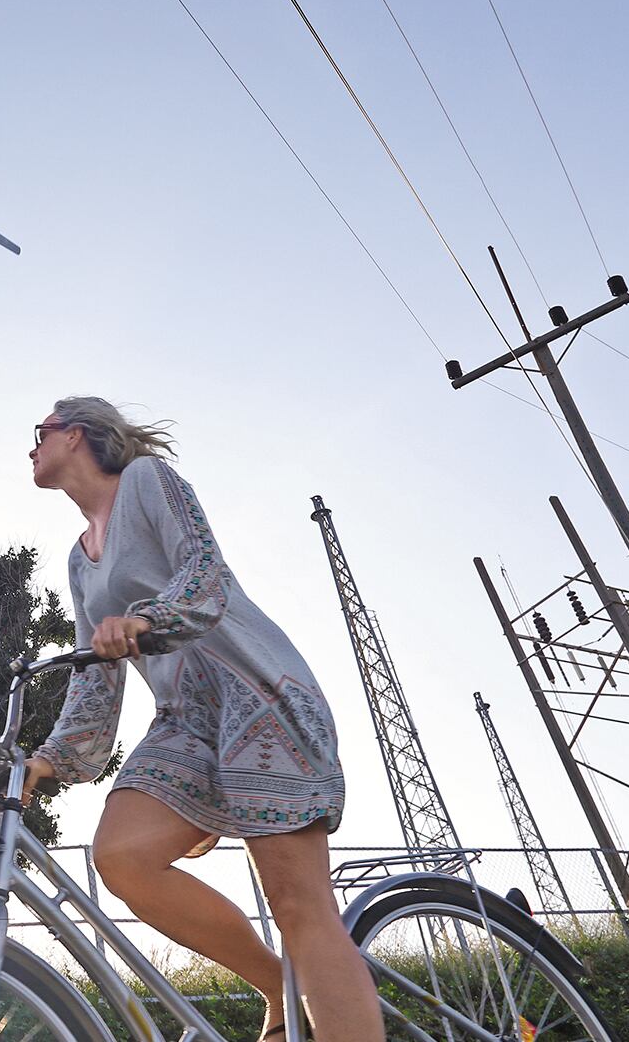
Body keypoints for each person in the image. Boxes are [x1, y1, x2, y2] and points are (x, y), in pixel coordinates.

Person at [22, 397, 382, 1042]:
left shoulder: (145, 480)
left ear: (76, 434)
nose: (30, 445)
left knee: (299, 905)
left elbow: (204, 573)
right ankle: (278, 984)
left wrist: (149, 619)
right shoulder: (79, 559)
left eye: (39, 432)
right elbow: (94, 675)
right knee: (122, 857)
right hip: (185, 721)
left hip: (255, 695)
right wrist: (49, 760)